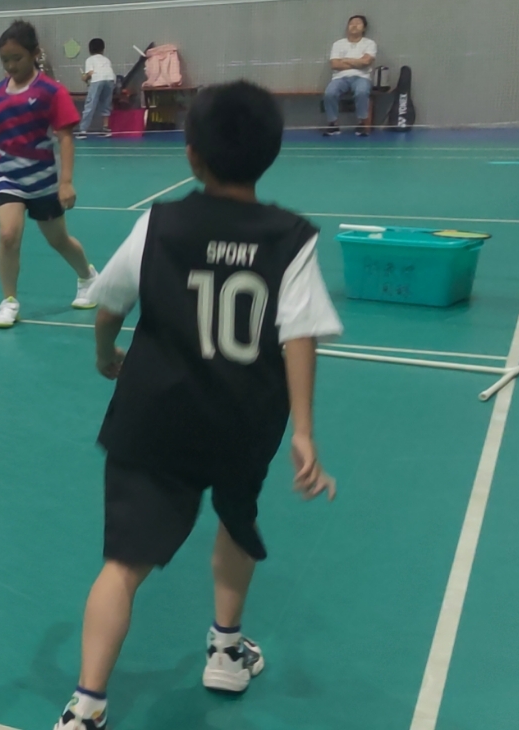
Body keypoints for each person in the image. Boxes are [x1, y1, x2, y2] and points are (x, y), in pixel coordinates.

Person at [52, 81, 341, 730]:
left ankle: (86, 707)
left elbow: (110, 304)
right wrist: (304, 430)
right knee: (236, 524)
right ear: (272, 154)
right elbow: (299, 334)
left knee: (122, 567)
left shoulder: (158, 224)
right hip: (244, 422)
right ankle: (226, 652)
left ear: (191, 155)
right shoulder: (290, 238)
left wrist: (104, 352)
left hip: (154, 420)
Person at [0, 21, 99, 329]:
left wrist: (66, 182)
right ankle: (9, 301)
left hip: (43, 181)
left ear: (35, 54)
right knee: (8, 236)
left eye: (17, 58)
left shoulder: (51, 92)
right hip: (8, 177)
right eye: (5, 60)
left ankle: (88, 277)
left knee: (58, 240)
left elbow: (65, 137)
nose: (10, 65)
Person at [322, 15, 377, 137]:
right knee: (329, 93)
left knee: (362, 92)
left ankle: (361, 123)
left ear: (364, 28)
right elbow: (334, 64)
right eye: (352, 23)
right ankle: (333, 124)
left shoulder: (369, 43)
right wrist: (357, 62)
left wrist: (345, 60)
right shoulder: (338, 44)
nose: (354, 25)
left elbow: (366, 62)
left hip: (362, 77)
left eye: (358, 23)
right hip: (339, 78)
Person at [79, 39, 115, 136]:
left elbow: (90, 73)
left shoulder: (90, 59)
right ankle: (105, 128)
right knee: (106, 104)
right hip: (110, 79)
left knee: (90, 104)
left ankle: (83, 130)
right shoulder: (106, 59)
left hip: (98, 80)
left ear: (90, 49)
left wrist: (84, 78)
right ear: (103, 49)